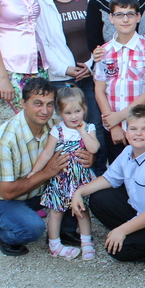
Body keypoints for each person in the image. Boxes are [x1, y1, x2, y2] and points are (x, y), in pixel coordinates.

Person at [0, 78, 91, 256]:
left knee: (74, 186)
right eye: (38, 103)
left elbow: (82, 143)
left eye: (49, 104)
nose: (45, 111)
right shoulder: (2, 140)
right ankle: (2, 234)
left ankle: (64, 230)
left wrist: (88, 158)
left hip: (36, 191)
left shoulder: (56, 124)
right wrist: (48, 172)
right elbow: (7, 192)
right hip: (0, 200)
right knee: (32, 229)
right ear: (23, 103)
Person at [72, 105, 145, 268]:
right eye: (133, 129)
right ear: (126, 131)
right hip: (140, 211)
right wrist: (79, 192)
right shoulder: (128, 151)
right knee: (97, 199)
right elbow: (109, 179)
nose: (138, 133)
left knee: (118, 250)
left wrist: (122, 230)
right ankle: (135, 233)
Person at [36, 0, 103, 172]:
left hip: (90, 74)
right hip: (61, 78)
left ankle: (98, 175)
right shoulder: (43, 4)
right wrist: (66, 69)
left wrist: (91, 64)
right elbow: (43, 44)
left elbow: (100, 34)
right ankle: (70, 176)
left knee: (95, 125)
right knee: (65, 129)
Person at [25, 86, 99, 260]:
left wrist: (82, 131)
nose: (73, 117)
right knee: (56, 211)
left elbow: (94, 148)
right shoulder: (57, 130)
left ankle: (86, 242)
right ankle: (54, 244)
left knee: (82, 211)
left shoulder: (89, 128)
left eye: (77, 111)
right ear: (60, 113)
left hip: (80, 179)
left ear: (84, 109)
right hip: (61, 178)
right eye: (68, 113)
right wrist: (35, 171)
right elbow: (47, 153)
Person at [93, 0, 145, 163]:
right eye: (119, 14)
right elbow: (100, 90)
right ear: (111, 18)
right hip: (114, 130)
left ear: (138, 17)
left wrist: (120, 117)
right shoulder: (104, 52)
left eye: (130, 14)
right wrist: (114, 125)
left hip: (141, 128)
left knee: (144, 169)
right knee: (118, 171)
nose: (125, 19)